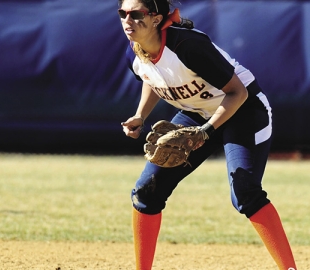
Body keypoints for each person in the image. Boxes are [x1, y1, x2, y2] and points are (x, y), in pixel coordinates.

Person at [119, 0, 297, 269]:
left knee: (245, 193)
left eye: (136, 14)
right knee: (146, 192)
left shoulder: (187, 46)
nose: (127, 20)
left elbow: (238, 92)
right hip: (197, 114)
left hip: (244, 111)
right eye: (123, 13)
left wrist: (205, 132)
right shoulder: (138, 51)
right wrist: (140, 115)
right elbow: (152, 78)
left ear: (156, 18)